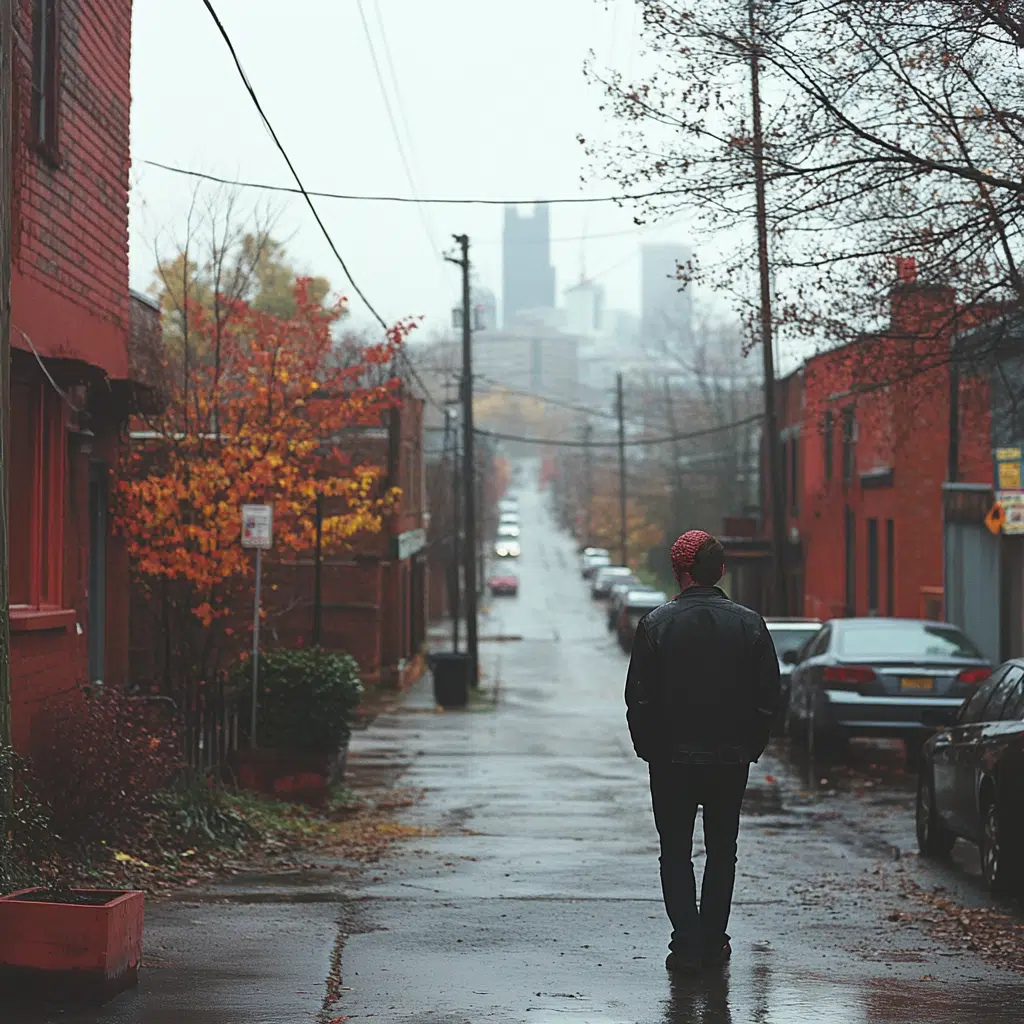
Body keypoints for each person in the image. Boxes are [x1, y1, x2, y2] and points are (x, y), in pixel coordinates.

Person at [624, 529, 780, 974]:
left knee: (674, 851)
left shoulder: (655, 625)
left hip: (671, 760)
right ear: (721, 572)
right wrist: (750, 745)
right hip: (729, 759)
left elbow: (639, 699)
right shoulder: (749, 624)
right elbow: (768, 694)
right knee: (722, 850)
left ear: (680, 572)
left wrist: (650, 749)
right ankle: (713, 940)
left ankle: (686, 942)